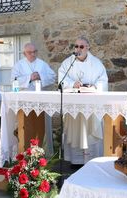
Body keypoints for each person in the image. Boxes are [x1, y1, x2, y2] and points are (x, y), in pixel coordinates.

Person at [58, 36, 108, 164]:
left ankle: (92, 160)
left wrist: (94, 87)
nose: (78, 49)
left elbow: (103, 80)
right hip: (74, 105)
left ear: (88, 47)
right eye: (76, 46)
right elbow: (61, 80)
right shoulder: (68, 63)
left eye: (81, 46)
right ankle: (76, 161)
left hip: (91, 105)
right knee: (75, 130)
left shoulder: (96, 63)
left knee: (91, 131)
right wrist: (72, 84)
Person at [11, 43, 56, 155]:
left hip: (40, 100)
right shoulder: (19, 65)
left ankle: (41, 152)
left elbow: (52, 77)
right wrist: (29, 78)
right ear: (24, 53)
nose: (33, 54)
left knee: (40, 127)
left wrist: (41, 77)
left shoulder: (42, 64)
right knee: (27, 126)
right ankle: (25, 152)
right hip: (24, 101)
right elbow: (13, 80)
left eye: (35, 51)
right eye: (30, 52)